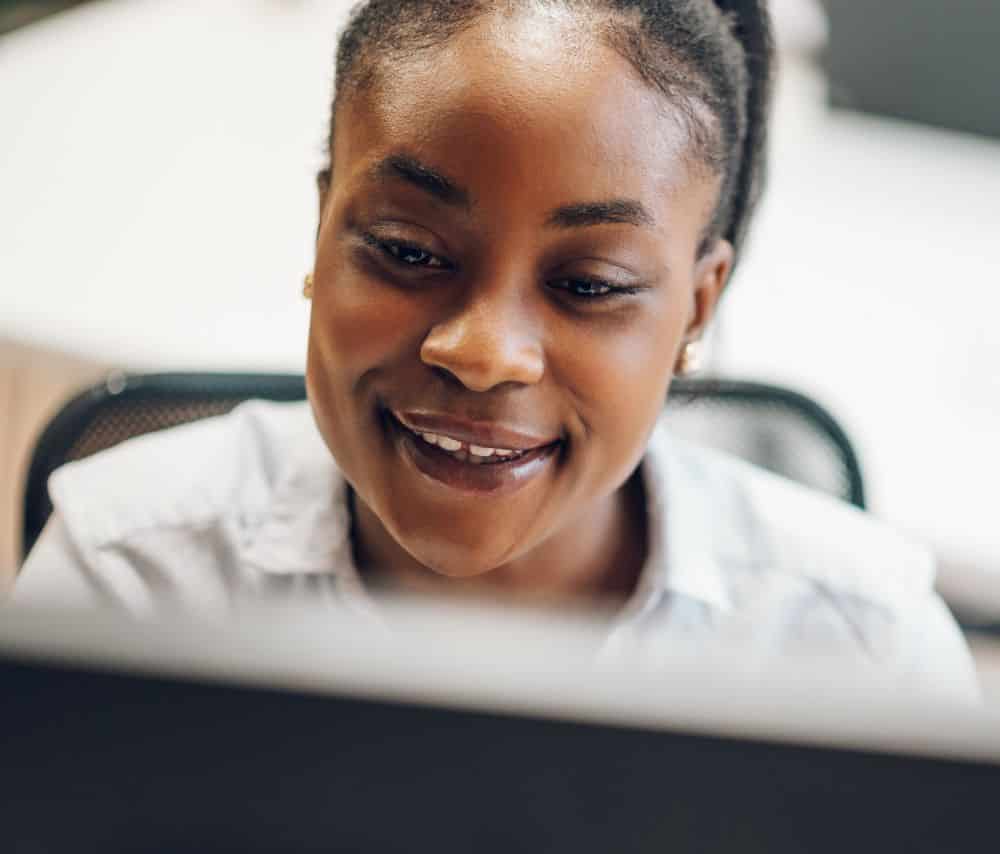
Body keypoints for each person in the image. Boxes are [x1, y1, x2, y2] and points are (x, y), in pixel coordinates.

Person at [13, 0, 977, 699]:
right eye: (406, 252)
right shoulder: (130, 581)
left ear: (694, 308)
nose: (483, 354)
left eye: (589, 285)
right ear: (321, 232)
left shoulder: (860, 648)